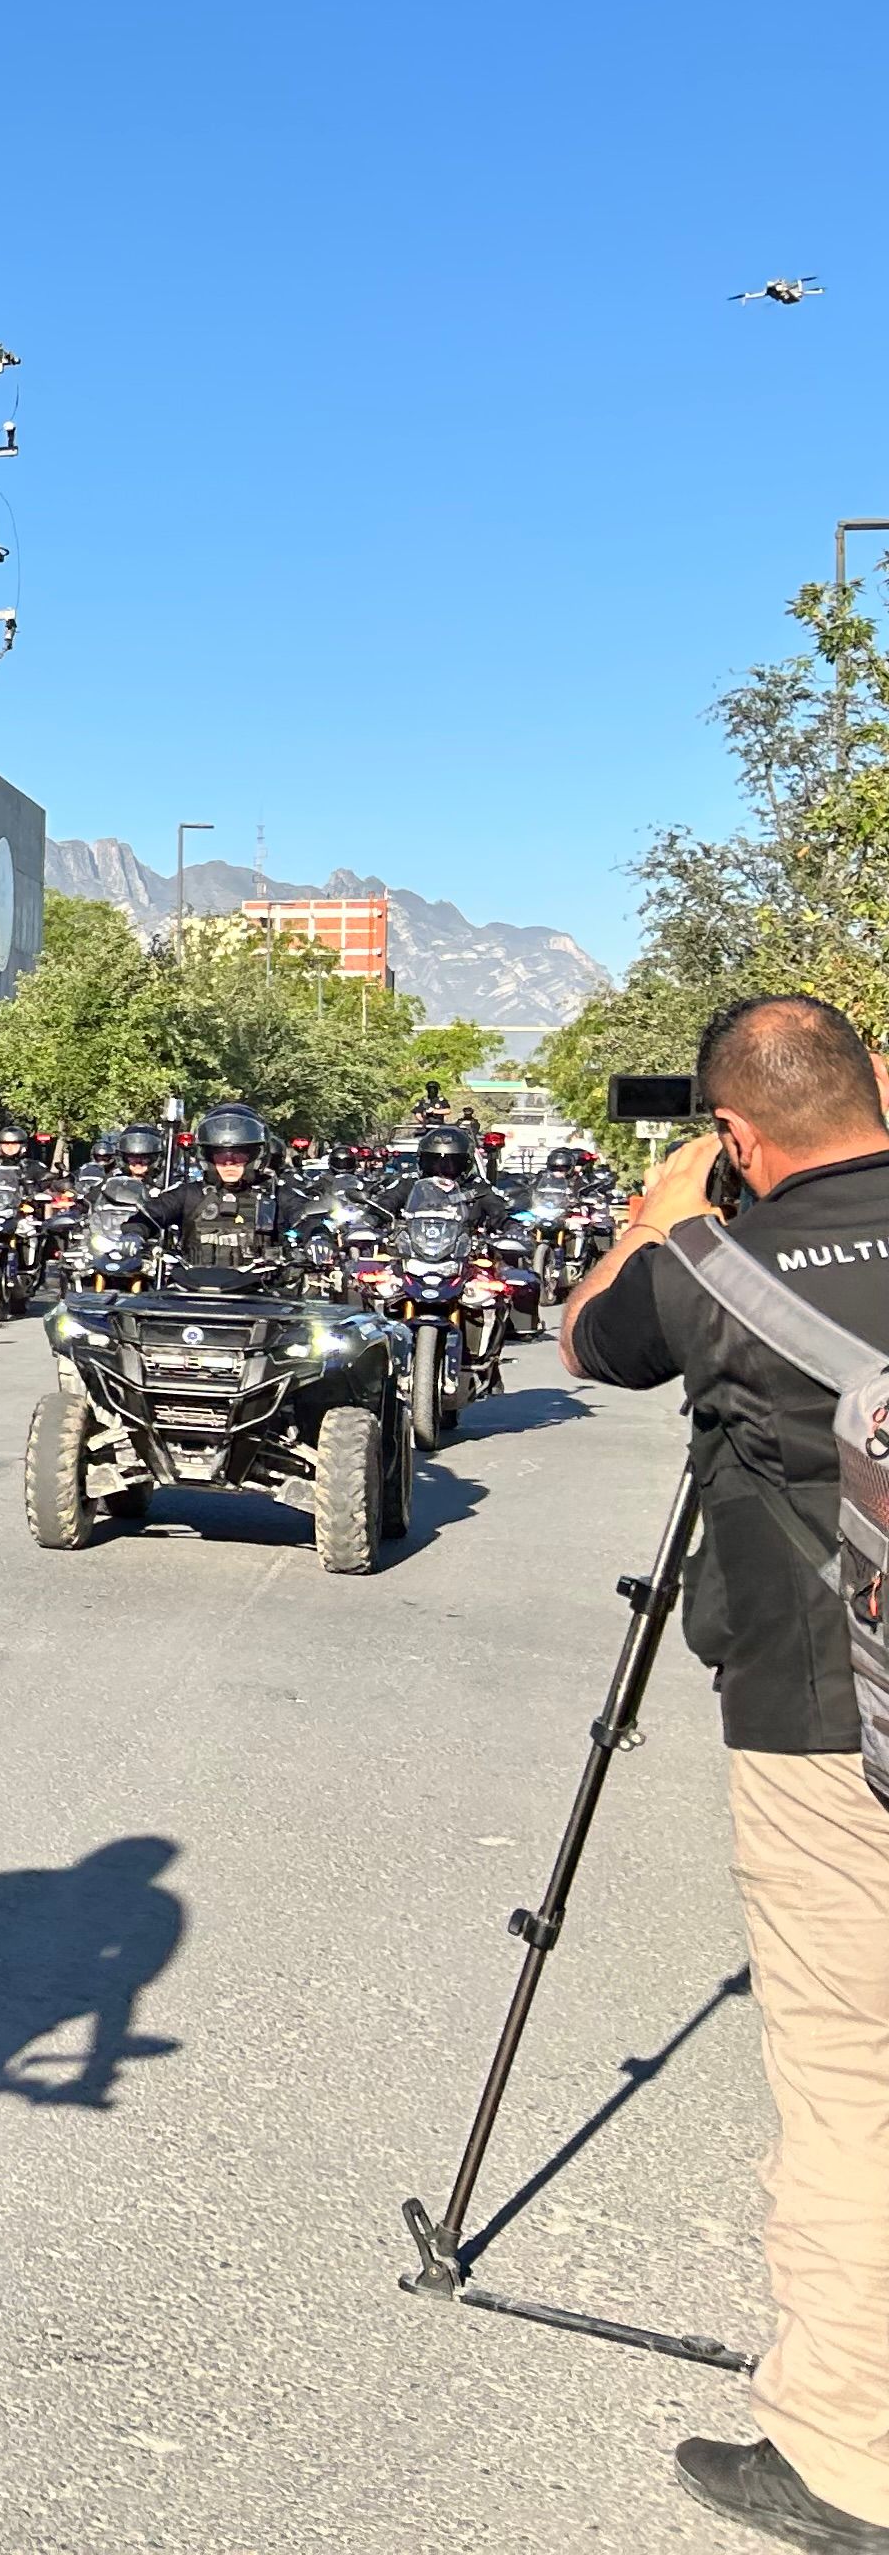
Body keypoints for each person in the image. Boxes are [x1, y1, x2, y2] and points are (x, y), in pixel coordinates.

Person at [561, 995, 889, 2549]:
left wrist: (663, 1213)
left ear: (743, 1136)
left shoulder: (717, 1268)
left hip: (830, 1728)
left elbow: (588, 1339)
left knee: (851, 2075)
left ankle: (846, 2455)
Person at [157, 1102, 296, 1277]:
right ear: (208, 1157)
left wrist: (317, 1238)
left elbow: (304, 1214)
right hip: (190, 1292)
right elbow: (155, 1210)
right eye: (221, 1155)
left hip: (259, 1293)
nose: (229, 1162)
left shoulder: (276, 1194)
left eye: (239, 1155)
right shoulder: (189, 1194)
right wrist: (135, 1233)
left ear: (255, 1156)